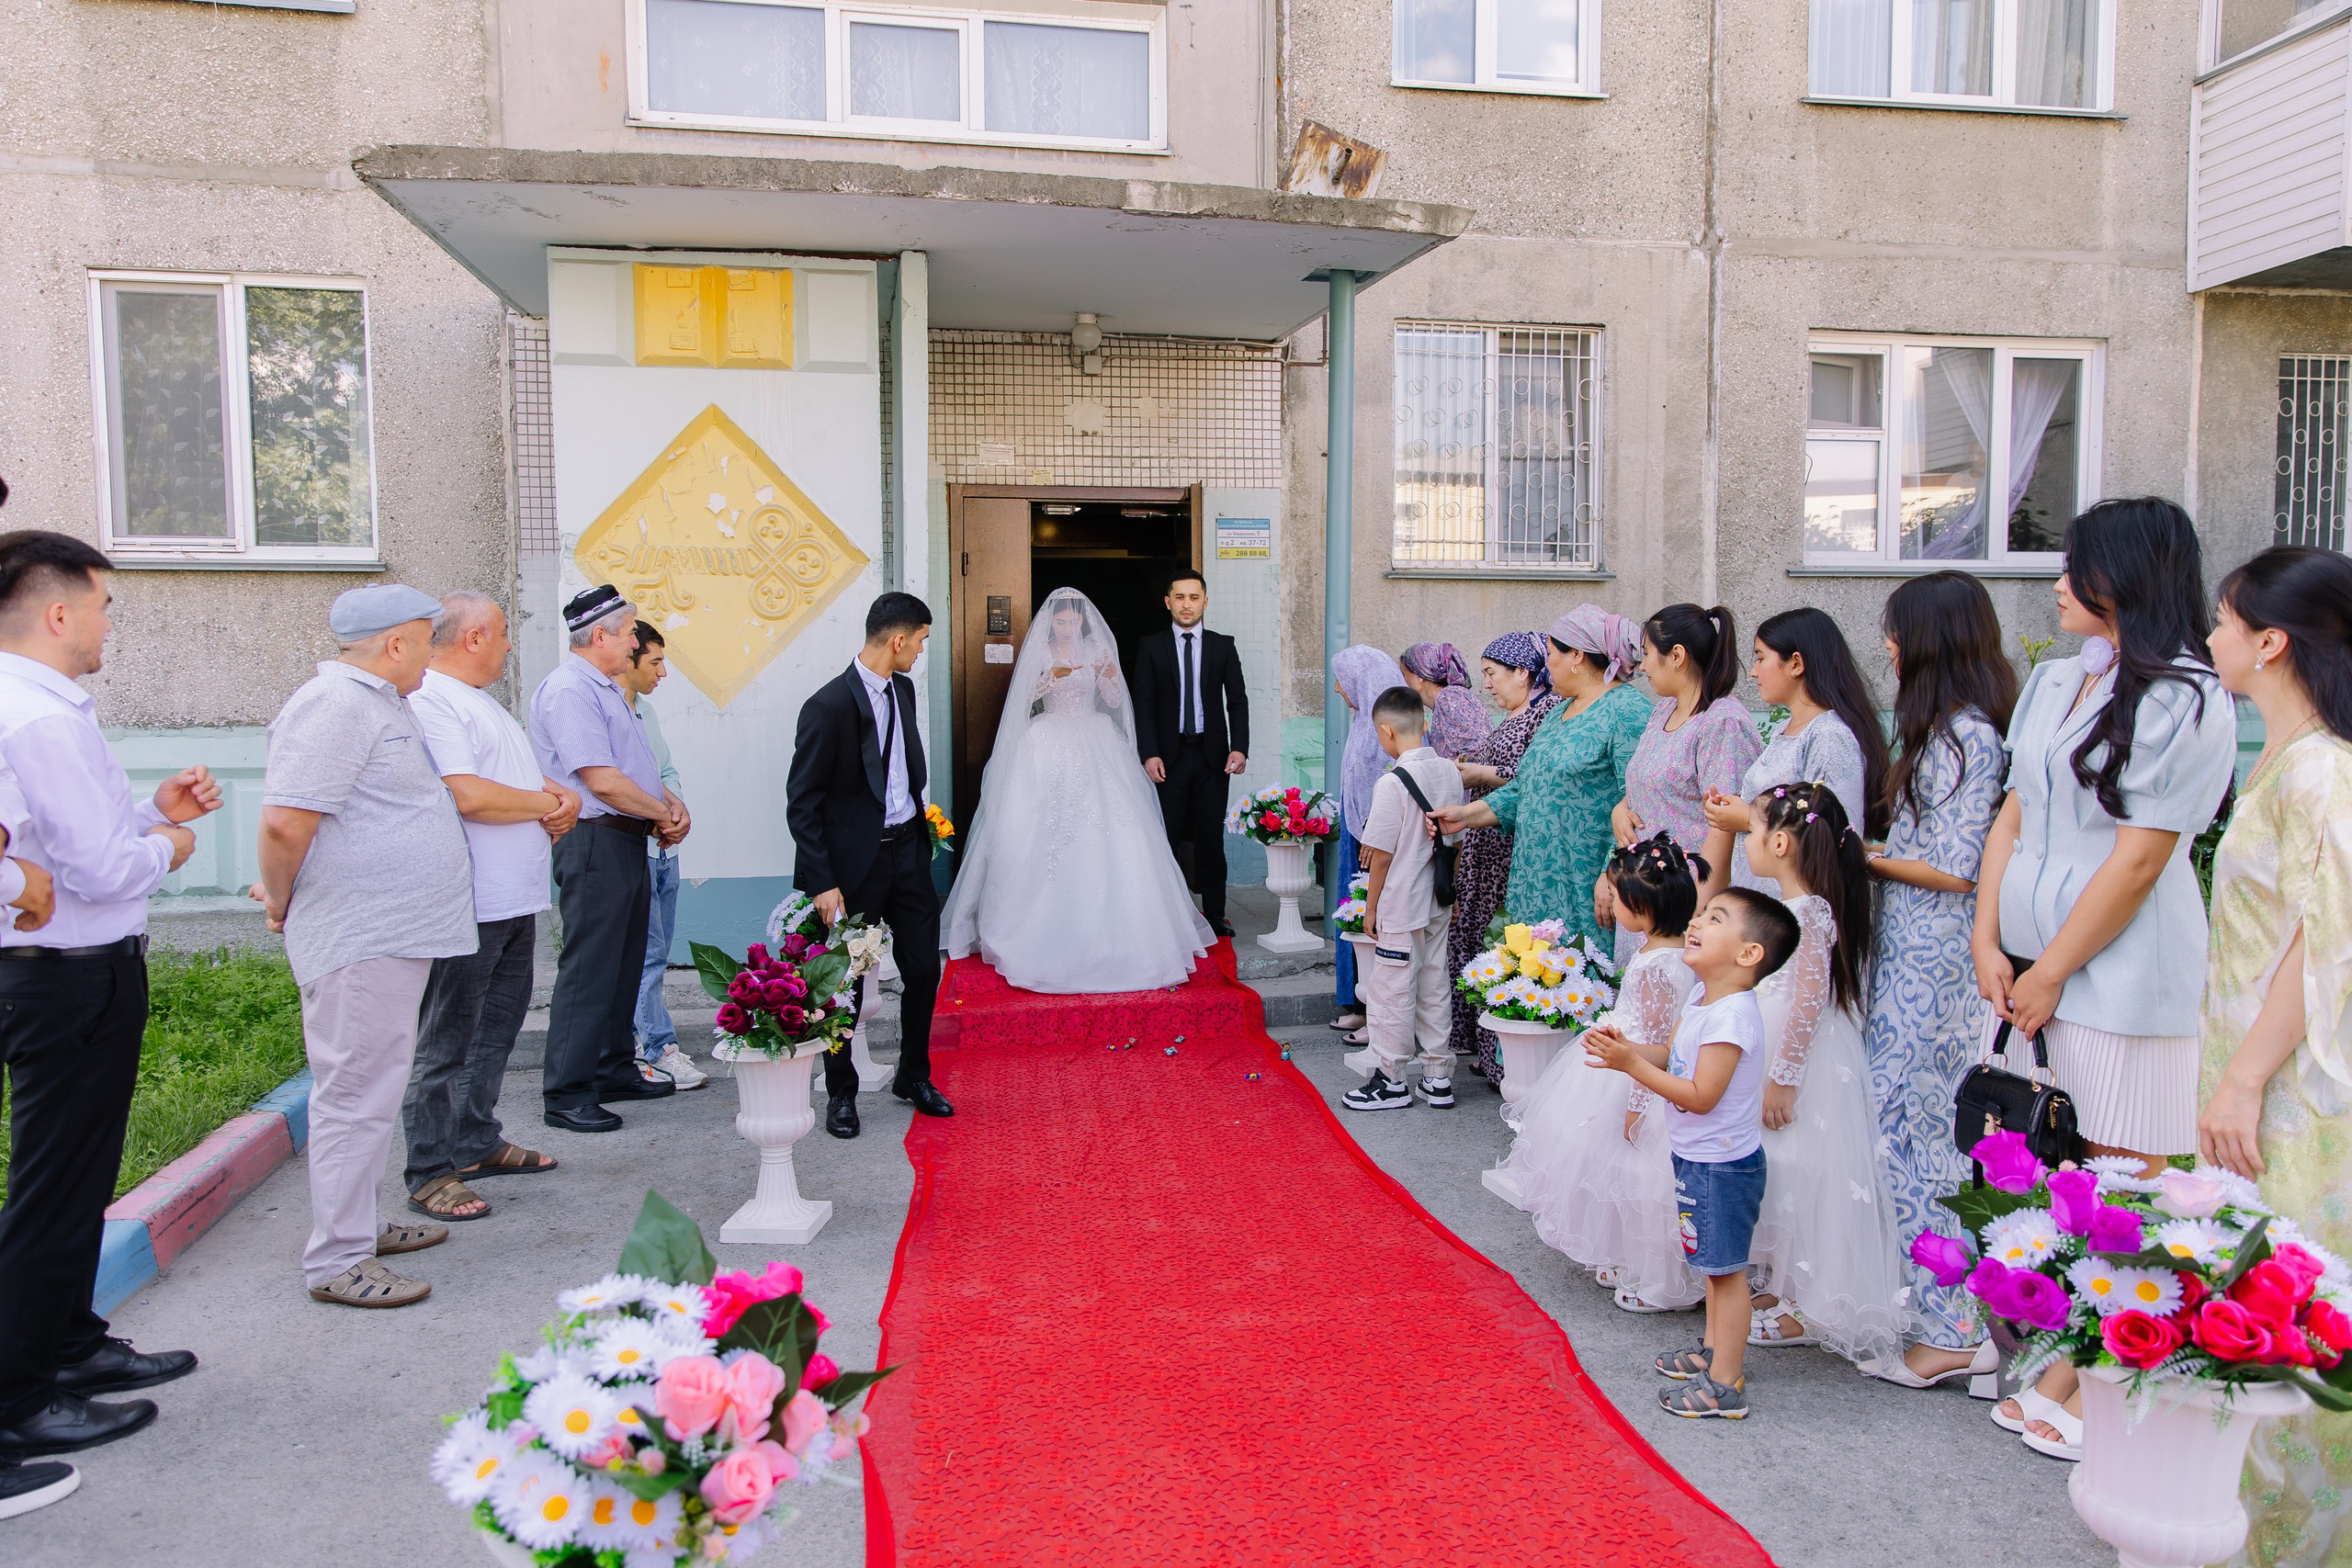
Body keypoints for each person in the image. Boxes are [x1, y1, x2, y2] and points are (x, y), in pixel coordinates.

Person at [1974, 497, 2238, 1461]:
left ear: (2121, 577)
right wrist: (1986, 943)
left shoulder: (2188, 696)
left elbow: (2138, 860)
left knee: (2129, 1181)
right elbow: (2013, 813)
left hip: (2123, 974)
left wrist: (2047, 968)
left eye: (2072, 565)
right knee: (2062, 1172)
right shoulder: (2053, 679)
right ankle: (2066, 1361)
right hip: (2033, 968)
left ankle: (2092, 1381)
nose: (2054, 584)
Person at [0, 530, 212, 1468]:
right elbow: (96, 867)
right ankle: (20, 1395)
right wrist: (170, 847)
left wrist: (154, 812)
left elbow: (72, 831)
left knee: (79, 1174)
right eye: (102, 604)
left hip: (77, 968)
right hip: (62, 975)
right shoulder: (35, 717)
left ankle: (70, 1345)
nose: (107, 621)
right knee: (55, 1185)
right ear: (57, 613)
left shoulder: (47, 709)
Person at [254, 584, 480, 1308]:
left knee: (372, 1089)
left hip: (390, 931)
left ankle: (357, 1224)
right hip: (361, 935)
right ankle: (337, 1260)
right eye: (425, 637)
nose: (431, 650)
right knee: (354, 1094)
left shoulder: (378, 703)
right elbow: (287, 823)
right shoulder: (336, 704)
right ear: (395, 643)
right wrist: (282, 896)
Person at [2191, 547, 2352, 1561]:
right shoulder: (2281, 759)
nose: (2209, 639)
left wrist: (2246, 1078)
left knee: (2295, 1316)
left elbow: (2325, 935)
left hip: (2288, 1093)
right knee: (2252, 1307)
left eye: (2221, 621)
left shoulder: (2324, 769)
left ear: (2269, 640)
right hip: (2249, 1071)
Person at [1860, 573, 2017, 1392]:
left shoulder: (1967, 736)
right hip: (1913, 947)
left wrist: (1863, 856)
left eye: (1896, 631)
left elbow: (1955, 869)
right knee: (1901, 1130)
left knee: (1922, 1137)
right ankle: (1932, 1309)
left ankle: (1955, 1325)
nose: (1887, 645)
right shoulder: (1943, 731)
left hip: (1938, 958)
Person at [1583, 886, 1800, 1421]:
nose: (1698, 920)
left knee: (1726, 1276)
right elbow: (1675, 1058)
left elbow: (1701, 1096)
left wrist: (1632, 1068)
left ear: (1749, 954)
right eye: (1703, 912)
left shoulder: (1733, 1018)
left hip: (1722, 1167)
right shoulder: (1704, 1000)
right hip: (1700, 1160)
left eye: (1716, 917)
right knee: (1710, 1263)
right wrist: (1628, 1050)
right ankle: (1711, 1352)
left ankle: (1725, 1383)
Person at [400, 593, 578, 1225]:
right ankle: (429, 1168)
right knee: (447, 1038)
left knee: (494, 1032)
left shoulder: (479, 702)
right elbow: (468, 794)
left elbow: (529, 781)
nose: (508, 645)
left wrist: (555, 799)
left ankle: (475, 1139)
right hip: (466, 903)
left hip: (512, 899)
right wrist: (546, 804)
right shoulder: (431, 699)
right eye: (502, 634)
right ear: (474, 636)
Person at [942, 587, 1213, 993]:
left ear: (1083, 621)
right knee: (1039, 828)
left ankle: (1125, 928)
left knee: (1116, 825)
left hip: (1095, 738)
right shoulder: (1041, 651)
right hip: (1048, 738)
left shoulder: (1098, 651)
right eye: (1061, 621)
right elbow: (1023, 699)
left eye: (1073, 621)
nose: (1068, 627)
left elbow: (1115, 700)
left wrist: (1107, 677)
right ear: (1051, 622)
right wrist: (1052, 676)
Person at [1739, 784, 1909, 1371]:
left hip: (1806, 1059)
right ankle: (1787, 1281)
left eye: (1753, 829)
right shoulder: (1798, 904)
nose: (1747, 839)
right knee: (1786, 1172)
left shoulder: (1808, 910)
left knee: (1807, 1169)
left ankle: (1811, 1302)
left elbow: (1811, 996)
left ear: (1781, 842)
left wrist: (1784, 1076)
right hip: (1788, 1049)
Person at [1502, 833, 1703, 1314]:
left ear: (1644, 906)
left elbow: (1658, 1048)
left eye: (1618, 896)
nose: (1611, 902)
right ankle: (1621, 1253)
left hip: (1631, 1077)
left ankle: (1655, 1273)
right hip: (1617, 1066)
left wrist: (1637, 1106)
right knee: (1610, 1169)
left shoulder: (1660, 964)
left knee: (1634, 1174)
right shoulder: (1663, 951)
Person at [785, 592, 954, 1141]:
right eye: (921, 642)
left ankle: (913, 1076)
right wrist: (822, 881)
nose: (921, 653)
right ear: (898, 640)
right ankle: (841, 1093)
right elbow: (802, 802)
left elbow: (903, 770)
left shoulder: (901, 690)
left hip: (908, 851)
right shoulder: (827, 705)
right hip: (853, 866)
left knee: (924, 969)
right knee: (848, 982)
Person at [529, 585, 686, 1134]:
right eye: (628, 632)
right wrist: (661, 816)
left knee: (623, 963)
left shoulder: (606, 688)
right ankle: (568, 1093)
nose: (634, 641)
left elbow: (636, 767)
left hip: (625, 838)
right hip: (595, 838)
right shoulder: (571, 689)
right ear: (600, 636)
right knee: (591, 969)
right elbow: (601, 781)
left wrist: (667, 806)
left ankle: (613, 1067)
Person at [1428, 607, 1650, 952]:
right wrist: (1465, 816)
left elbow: (1637, 802)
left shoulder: (1627, 709)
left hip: (1585, 880)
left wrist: (1612, 873)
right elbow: (1525, 789)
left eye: (1550, 654)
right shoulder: (1558, 711)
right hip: (1533, 881)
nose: (1546, 665)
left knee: (1581, 983)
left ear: (1576, 655)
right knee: (1531, 987)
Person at [1606, 604, 1759, 964]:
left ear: (1677, 656)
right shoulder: (1664, 710)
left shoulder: (1722, 723)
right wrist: (1620, 810)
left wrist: (1700, 918)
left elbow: (1724, 830)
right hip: (1646, 898)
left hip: (1683, 910)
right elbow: (1646, 782)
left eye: (1646, 654)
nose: (1641, 666)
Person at [1702, 606, 1889, 898]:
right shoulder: (1786, 730)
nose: (1752, 672)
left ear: (1796, 664)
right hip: (1765, 902)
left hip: (1798, 911)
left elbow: (1834, 834)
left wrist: (1749, 818)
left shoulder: (1829, 736)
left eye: (1761, 657)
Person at [1341, 686, 1464, 1111]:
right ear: (1424, 724)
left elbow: (1381, 856)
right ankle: (1437, 1077)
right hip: (1438, 898)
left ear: (1385, 731)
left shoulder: (1391, 783)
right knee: (1434, 984)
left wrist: (1370, 907)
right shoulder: (1450, 772)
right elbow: (1456, 836)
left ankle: (1391, 1079)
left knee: (1392, 989)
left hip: (1401, 902)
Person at [1446, 633, 1560, 1083]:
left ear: (1523, 672)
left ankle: (1503, 1057)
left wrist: (1479, 773)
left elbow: (1528, 778)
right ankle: (1486, 1047)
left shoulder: (1542, 713)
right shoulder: (1515, 714)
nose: (1487, 684)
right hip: (1483, 839)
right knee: (1475, 943)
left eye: (1493, 674)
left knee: (1496, 942)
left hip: (1505, 845)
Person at [1132, 570, 1250, 940]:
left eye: (1194, 597)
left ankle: (1215, 914)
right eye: (1179, 598)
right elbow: (1143, 704)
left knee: (1211, 838)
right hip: (1169, 757)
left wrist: (1240, 746)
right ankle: (1168, 913)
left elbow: (1237, 700)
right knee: (1167, 835)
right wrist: (1148, 753)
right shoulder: (1151, 646)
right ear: (1168, 602)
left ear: (1205, 602)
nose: (1187, 604)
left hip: (1213, 756)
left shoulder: (1222, 645)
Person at [621, 622, 706, 1090]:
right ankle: (656, 1047)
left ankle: (644, 1044)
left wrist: (676, 810)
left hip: (662, 852)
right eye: (654, 661)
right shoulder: (611, 712)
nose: (663, 672)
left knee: (657, 952)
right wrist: (658, 815)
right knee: (648, 955)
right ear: (628, 659)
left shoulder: (645, 713)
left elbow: (665, 769)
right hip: (634, 848)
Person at [1327, 646, 1408, 1041]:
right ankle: (1356, 1003)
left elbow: (1385, 785)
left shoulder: (1385, 729)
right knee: (1354, 916)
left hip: (1374, 840)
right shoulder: (1363, 721)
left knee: (1369, 919)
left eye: (1344, 679)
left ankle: (1371, 1010)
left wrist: (1374, 834)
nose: (1339, 689)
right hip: (1357, 834)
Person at [1399, 641, 1492, 761]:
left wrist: (1450, 771)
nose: (1401, 680)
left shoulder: (1449, 697)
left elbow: (1476, 748)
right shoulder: (1445, 699)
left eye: (1403, 674)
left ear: (1419, 676)